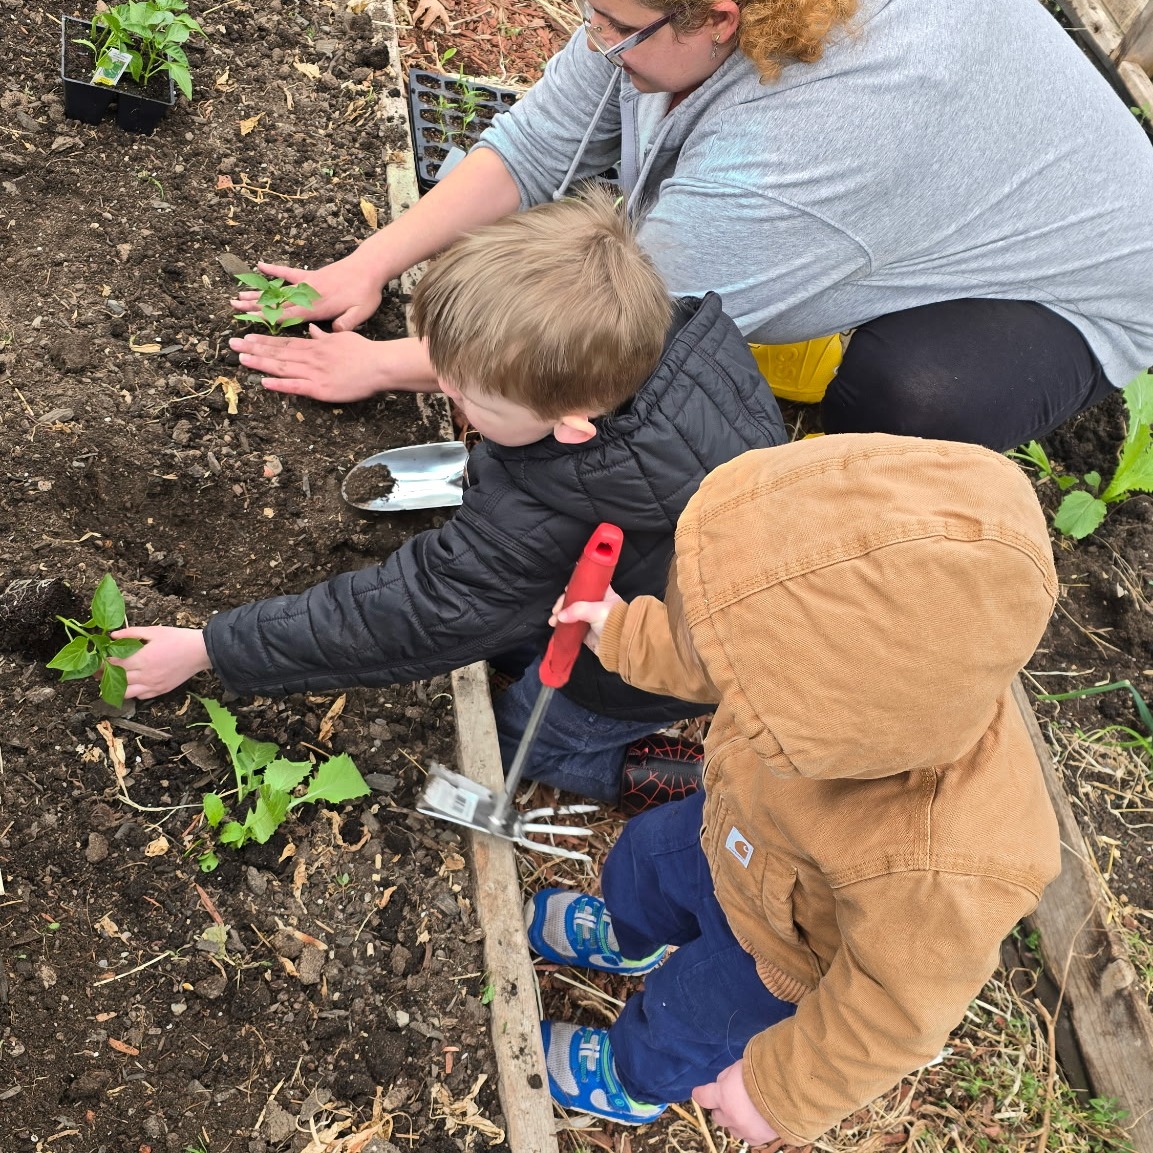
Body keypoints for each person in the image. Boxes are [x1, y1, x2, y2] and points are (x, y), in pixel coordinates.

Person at [109, 190, 786, 808]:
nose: (447, 397)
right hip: (677, 569)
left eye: (467, 396)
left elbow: (406, 612)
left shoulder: (535, 518)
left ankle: (672, 777)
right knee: (520, 630)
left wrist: (211, 647)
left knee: (535, 731)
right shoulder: (681, 344)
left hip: (643, 663)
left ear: (572, 424)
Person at [230, 0, 1153, 451]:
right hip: (929, 175)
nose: (597, 40)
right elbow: (543, 136)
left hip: (1075, 279)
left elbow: (612, 324)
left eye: (615, 26)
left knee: (910, 396)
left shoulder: (819, 130)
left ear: (718, 19)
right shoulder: (661, 11)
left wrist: (383, 365)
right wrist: (369, 264)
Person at [528, 433, 1062, 1142]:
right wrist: (623, 632)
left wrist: (778, 1091)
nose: (739, 691)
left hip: (775, 948)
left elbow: (891, 1009)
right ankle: (628, 935)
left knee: (687, 1014)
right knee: (641, 861)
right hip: (728, 826)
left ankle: (629, 1077)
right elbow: (722, 655)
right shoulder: (827, 649)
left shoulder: (948, 861)